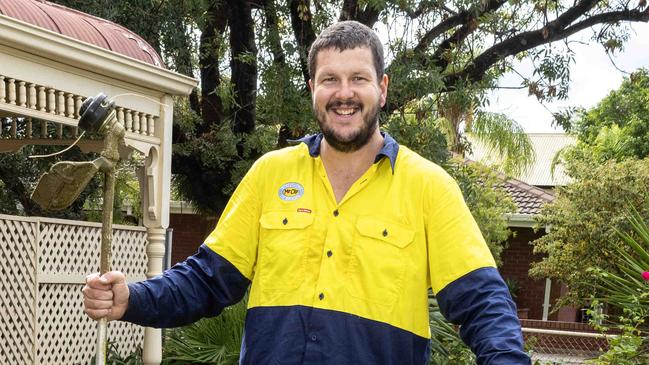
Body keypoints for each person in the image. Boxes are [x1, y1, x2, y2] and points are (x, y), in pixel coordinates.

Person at [83, 20, 531, 365]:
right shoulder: (270, 175)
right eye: (330, 79)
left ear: (382, 87)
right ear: (313, 88)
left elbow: (482, 303)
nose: (344, 93)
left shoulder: (429, 187)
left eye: (358, 78)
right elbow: (207, 280)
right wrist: (134, 298)